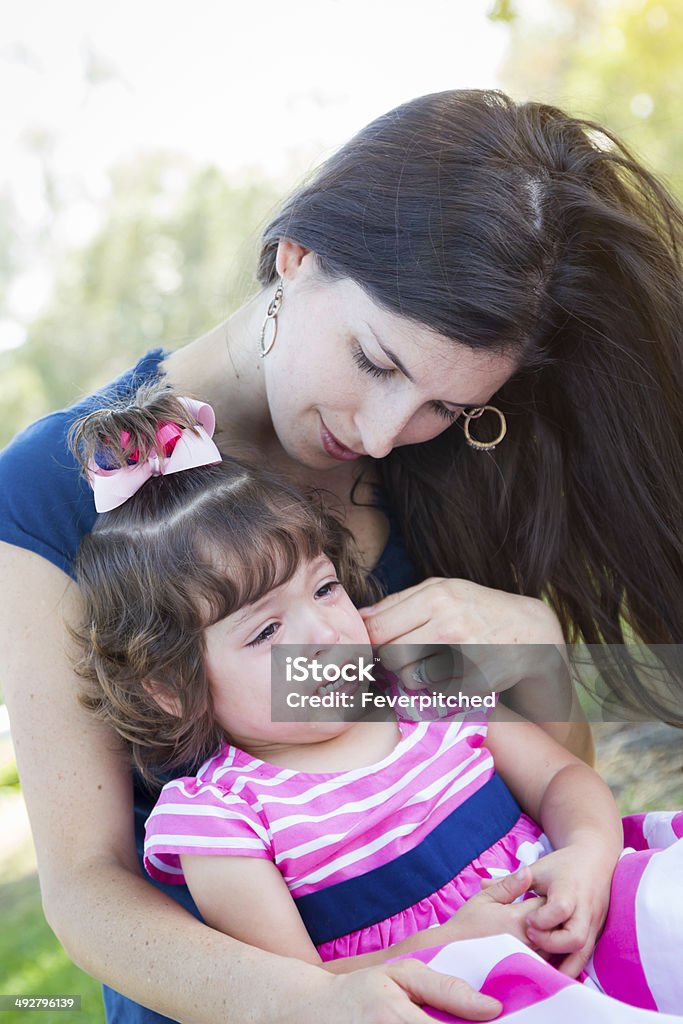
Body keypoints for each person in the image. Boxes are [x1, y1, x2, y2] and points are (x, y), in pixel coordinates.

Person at [0, 87, 681, 1023]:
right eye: (375, 361)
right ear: (297, 256)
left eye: (445, 405)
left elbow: (538, 778)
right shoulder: (53, 485)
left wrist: (533, 658)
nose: (387, 431)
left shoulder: (455, 458)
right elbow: (86, 888)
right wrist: (324, 1004)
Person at [70, 386, 683, 1021]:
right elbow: (296, 989)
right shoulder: (225, 817)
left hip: (588, 919)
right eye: (266, 631)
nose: (325, 631)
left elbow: (562, 775)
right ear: (170, 687)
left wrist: (586, 852)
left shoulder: (425, 690)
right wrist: (442, 945)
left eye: (325, 587)